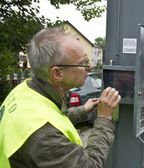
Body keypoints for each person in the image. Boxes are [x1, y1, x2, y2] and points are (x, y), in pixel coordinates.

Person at [0, 27, 121, 168]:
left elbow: (50, 118)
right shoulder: (46, 138)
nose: (91, 66)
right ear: (57, 73)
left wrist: (83, 110)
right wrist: (104, 119)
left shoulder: (25, 90)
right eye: (84, 62)